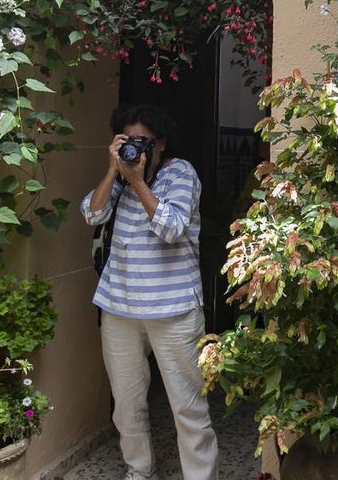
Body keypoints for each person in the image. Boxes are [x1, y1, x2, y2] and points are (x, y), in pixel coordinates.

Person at [81, 103, 219, 480]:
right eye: (128, 141)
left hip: (173, 310)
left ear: (160, 144)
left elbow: (172, 227)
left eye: (143, 142)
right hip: (119, 308)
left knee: (188, 408)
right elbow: (91, 214)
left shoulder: (180, 173)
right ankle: (139, 472)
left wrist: (139, 182)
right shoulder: (119, 180)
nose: (136, 150)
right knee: (125, 406)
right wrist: (114, 170)